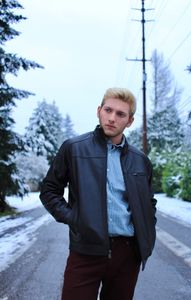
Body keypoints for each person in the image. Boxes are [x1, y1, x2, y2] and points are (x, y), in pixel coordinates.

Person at [40, 87, 157, 300]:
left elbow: (149, 202)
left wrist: (146, 231)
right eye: (108, 110)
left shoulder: (140, 160)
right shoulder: (73, 149)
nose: (112, 118)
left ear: (129, 121)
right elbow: (49, 190)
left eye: (120, 114)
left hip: (127, 255)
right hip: (86, 251)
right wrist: (74, 218)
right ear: (99, 111)